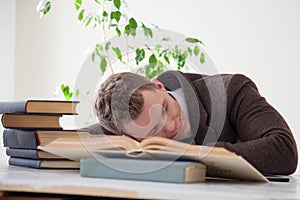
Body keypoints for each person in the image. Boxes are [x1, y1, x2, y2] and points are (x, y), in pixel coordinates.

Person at [89, 70, 298, 175]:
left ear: (159, 86)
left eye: (164, 109)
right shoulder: (125, 130)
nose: (170, 127)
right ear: (132, 137)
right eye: (153, 130)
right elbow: (73, 139)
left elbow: (284, 151)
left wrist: (195, 154)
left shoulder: (231, 91)